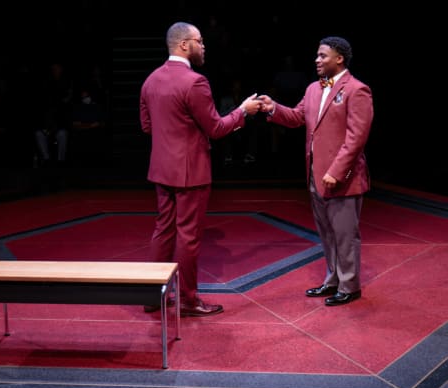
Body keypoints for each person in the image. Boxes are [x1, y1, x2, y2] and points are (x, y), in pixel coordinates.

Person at [139, 21, 261, 317]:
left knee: (163, 230)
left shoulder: (150, 80)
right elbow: (217, 129)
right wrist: (243, 111)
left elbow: (146, 127)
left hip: (161, 169)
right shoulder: (195, 82)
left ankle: (153, 295)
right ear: (184, 45)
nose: (203, 46)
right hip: (190, 171)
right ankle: (189, 300)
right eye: (200, 41)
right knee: (188, 236)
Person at [259, 36, 374, 306]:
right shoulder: (313, 89)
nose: (317, 60)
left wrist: (336, 171)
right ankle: (333, 279)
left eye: (323, 55)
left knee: (345, 233)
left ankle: (350, 285)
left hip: (342, 177)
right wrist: (273, 108)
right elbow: (298, 116)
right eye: (317, 55)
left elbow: (356, 138)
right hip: (315, 172)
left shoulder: (357, 89)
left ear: (339, 58)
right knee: (326, 232)